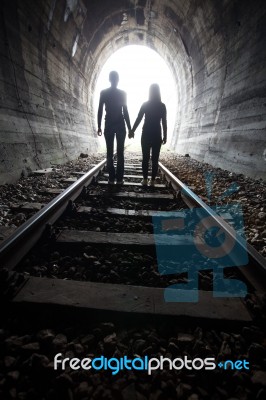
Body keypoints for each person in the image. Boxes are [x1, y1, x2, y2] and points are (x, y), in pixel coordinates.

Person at [129, 84, 167, 186]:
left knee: (145, 158)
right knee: (155, 159)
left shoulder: (145, 104)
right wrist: (165, 136)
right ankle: (153, 181)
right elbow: (164, 122)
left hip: (146, 133)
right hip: (157, 134)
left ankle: (145, 180)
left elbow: (139, 118)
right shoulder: (162, 106)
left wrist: (132, 130)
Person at [97, 71, 131, 185]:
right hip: (120, 124)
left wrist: (99, 126)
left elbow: (100, 110)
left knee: (109, 153)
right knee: (120, 153)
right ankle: (120, 179)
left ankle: (111, 179)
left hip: (109, 124)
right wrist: (130, 128)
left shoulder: (104, 93)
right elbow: (125, 112)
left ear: (109, 79)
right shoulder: (122, 93)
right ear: (118, 80)